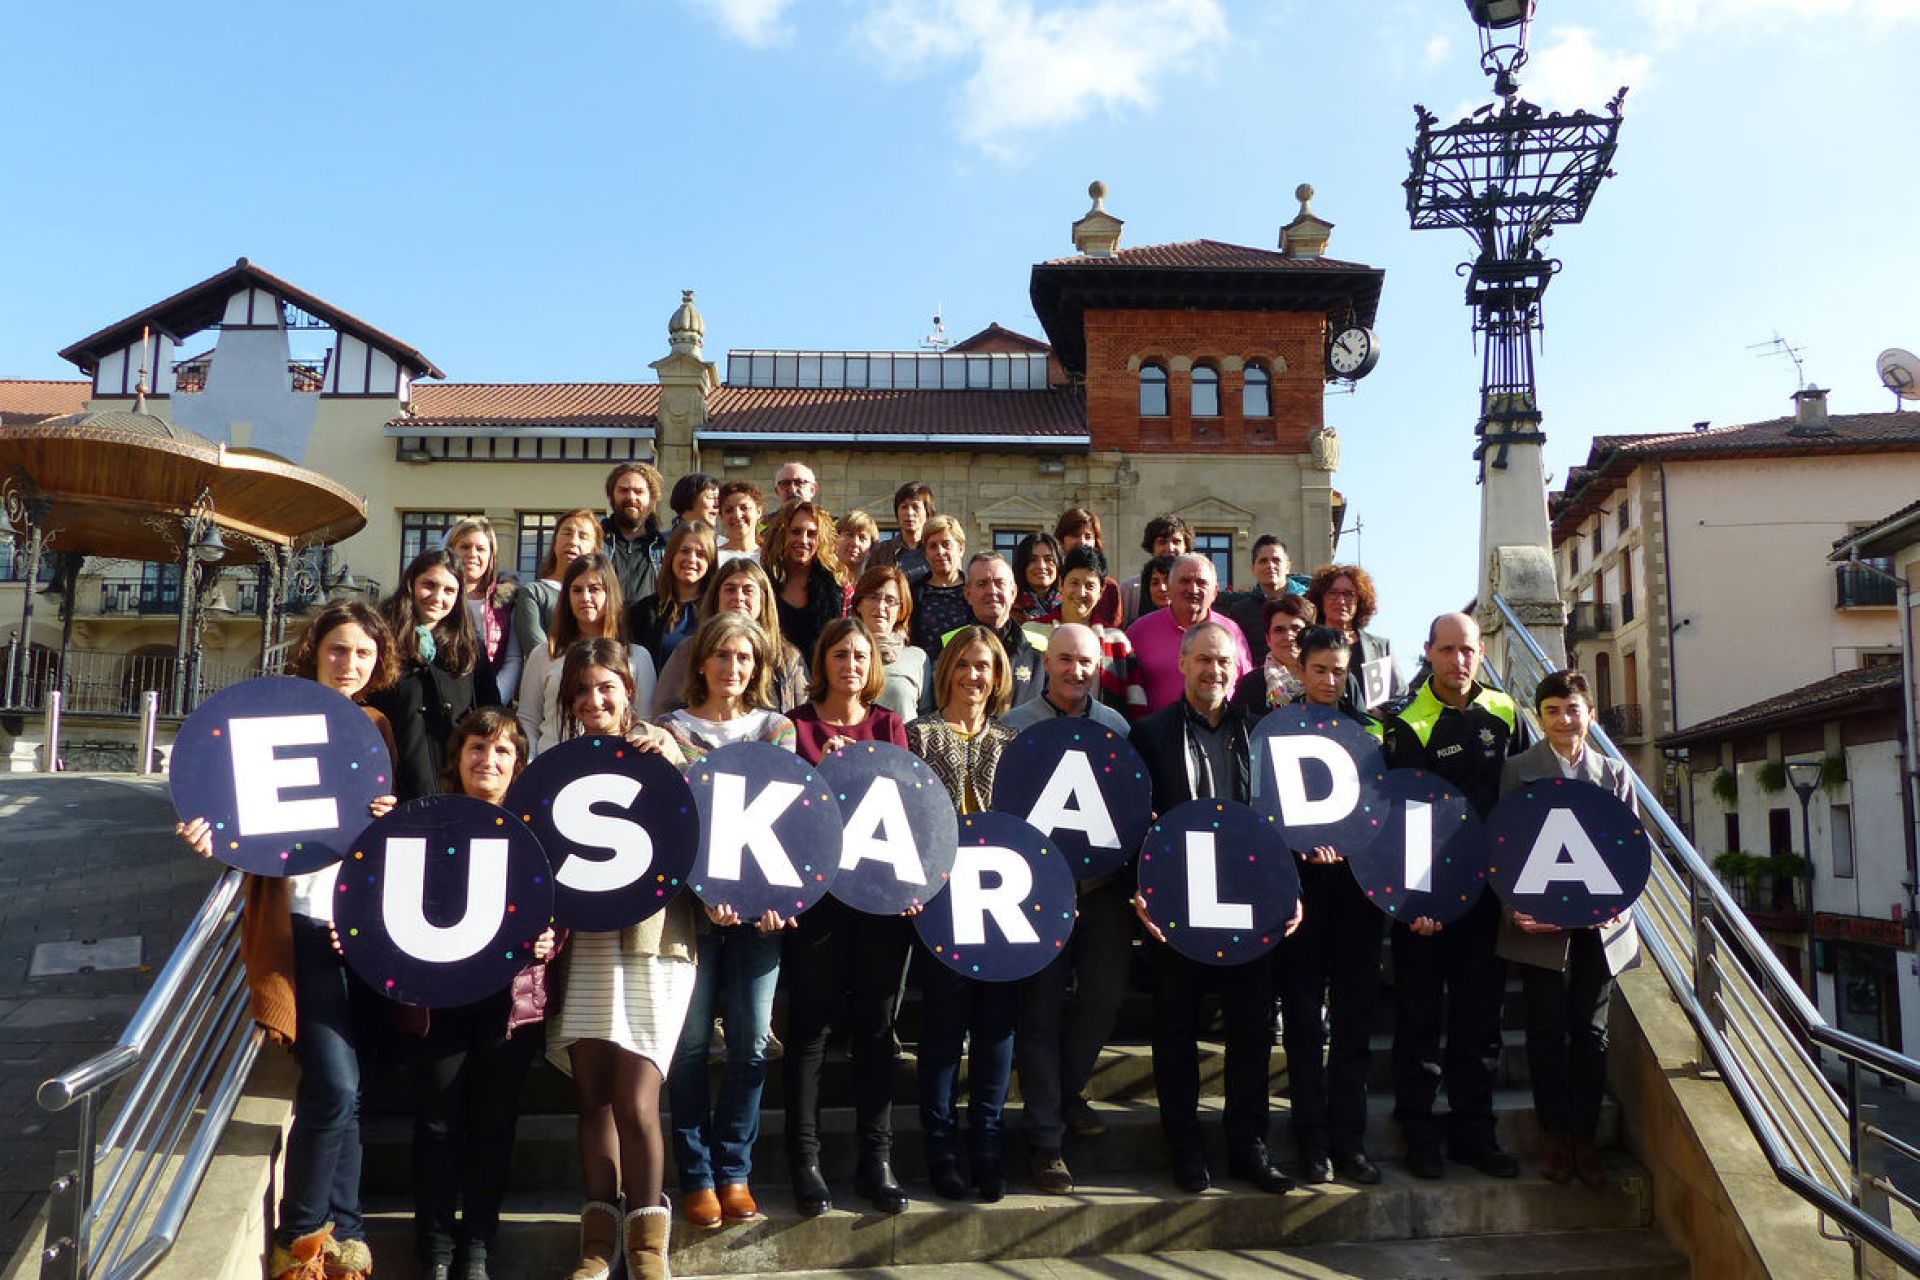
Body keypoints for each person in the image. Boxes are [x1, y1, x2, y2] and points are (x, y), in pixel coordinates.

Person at [174, 601, 401, 1280]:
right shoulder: (272, 718)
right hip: (299, 918)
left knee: (348, 1087)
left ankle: (346, 1236)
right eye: (338, 650)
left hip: (357, 925)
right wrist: (207, 835)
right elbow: (234, 813)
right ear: (314, 651)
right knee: (335, 1081)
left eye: (362, 654)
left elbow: (376, 828)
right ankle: (303, 1238)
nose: (350, 665)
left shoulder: (376, 726)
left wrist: (388, 818)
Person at [539, 638, 694, 1280]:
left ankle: (649, 1244)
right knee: (595, 1098)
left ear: (629, 690)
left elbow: (701, 818)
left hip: (653, 947)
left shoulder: (662, 747)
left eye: (606, 688)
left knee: (637, 1100)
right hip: (587, 947)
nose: (594, 700)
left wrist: (676, 757)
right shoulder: (560, 761)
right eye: (582, 691)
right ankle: (599, 1241)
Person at [1128, 622, 1297, 1196]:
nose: (1215, 671)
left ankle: (1249, 1146)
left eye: (1224, 662)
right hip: (1177, 906)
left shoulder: (1261, 734)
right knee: (1175, 1031)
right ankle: (1186, 1148)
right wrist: (1142, 891)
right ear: (1181, 663)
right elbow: (1135, 825)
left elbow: (1281, 820)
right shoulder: (1148, 735)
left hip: (1250, 907)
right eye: (1204, 660)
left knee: (1251, 1031)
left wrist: (1289, 891)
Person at [658, 615, 800, 1229]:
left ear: (757, 665)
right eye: (721, 656)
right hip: (689, 914)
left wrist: (777, 899)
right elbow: (666, 821)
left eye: (743, 657)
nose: (732, 668)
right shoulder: (669, 731)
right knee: (689, 1048)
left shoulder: (778, 731)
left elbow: (790, 822)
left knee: (748, 1044)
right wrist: (703, 888)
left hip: (759, 917)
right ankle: (696, 1177)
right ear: (702, 663)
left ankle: (735, 1171)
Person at [407, 710, 559, 1280]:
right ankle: (436, 1247)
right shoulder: (426, 822)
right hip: (440, 1000)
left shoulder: (534, 830)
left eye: (501, 752)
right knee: (438, 1122)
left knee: (494, 1124)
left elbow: (555, 907)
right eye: (477, 748)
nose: (487, 761)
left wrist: (550, 937)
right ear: (457, 755)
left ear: (517, 764)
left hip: (510, 1004)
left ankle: (477, 1244)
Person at [1381, 612, 1527, 1181]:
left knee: (1479, 1019)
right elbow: (1399, 815)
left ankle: (1475, 1132)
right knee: (1418, 1017)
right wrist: (1412, 901)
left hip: (1486, 897)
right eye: (1447, 650)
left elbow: (1519, 801)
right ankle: (1419, 1133)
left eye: (1467, 650)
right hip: (1424, 900)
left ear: (1481, 650)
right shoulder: (1405, 720)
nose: (1458, 660)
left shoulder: (1506, 712)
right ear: (1429, 652)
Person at [782, 618, 914, 1216]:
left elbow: (909, 809)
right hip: (819, 903)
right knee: (810, 1029)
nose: (851, 664)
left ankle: (875, 1160)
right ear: (822, 662)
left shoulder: (888, 726)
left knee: (876, 1028)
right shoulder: (798, 726)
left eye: (860, 654)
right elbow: (784, 811)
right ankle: (804, 1162)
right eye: (839, 654)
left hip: (880, 902)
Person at [1499, 668, 1637, 1190]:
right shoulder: (1518, 769)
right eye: (1553, 710)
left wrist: (1619, 904)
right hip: (1539, 923)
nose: (1563, 719)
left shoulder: (1615, 774)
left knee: (1592, 1031)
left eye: (1573, 709)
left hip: (1599, 925)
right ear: (1540, 717)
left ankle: (1584, 1138)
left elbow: (1632, 849)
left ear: (1590, 715)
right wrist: (1514, 906)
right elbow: (1504, 844)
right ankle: (1553, 1136)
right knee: (1544, 1029)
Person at [1006, 625, 1131, 1194]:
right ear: (1046, 662)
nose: (1075, 671)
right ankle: (1045, 1140)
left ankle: (1068, 1087)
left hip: (1103, 890)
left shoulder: (1117, 729)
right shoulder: (1013, 728)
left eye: (1085, 661)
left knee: (1103, 996)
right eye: (1064, 660)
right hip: (1035, 894)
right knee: (1039, 1014)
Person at [907, 626, 1019, 1202]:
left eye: (986, 667)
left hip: (1001, 906)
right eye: (966, 665)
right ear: (947, 669)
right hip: (941, 904)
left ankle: (988, 1147)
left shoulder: (1011, 741)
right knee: (945, 1029)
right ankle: (942, 1149)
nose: (975, 676)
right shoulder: (918, 736)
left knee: (997, 1026)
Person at [1275, 626, 1386, 1187]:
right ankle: (1310, 1143)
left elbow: (1383, 812)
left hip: (1359, 897)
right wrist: (1297, 850)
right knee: (1300, 1023)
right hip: (1299, 895)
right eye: (1319, 669)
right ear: (1301, 669)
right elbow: (1265, 806)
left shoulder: (1370, 731)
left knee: (1354, 1025)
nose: (1328, 679)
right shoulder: (1275, 729)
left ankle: (1351, 1142)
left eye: (1338, 671)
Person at [372, 548, 499, 800]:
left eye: (449, 590)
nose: (438, 597)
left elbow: (491, 713)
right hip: (393, 789)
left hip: (455, 788)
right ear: (411, 584)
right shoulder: (378, 641)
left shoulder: (470, 649)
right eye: (429, 585)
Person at [516, 553, 658, 756]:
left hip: (615, 767)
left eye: (594, 589)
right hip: (553, 766)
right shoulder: (545, 654)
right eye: (577, 590)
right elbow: (528, 720)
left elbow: (645, 721)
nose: (585, 597)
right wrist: (531, 768)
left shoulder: (637, 656)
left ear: (610, 594)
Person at [653, 558, 810, 717]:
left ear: (763, 599)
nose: (739, 597)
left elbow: (804, 717)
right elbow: (664, 710)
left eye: (748, 590)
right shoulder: (690, 650)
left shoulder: (788, 658)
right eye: (730, 589)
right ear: (717, 597)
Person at [1125, 554, 1252, 720]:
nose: (1192, 590)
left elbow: (1246, 686)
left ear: (1214, 592)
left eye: (1201, 583)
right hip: (1156, 740)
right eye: (1185, 581)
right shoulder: (1138, 632)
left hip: (1220, 737)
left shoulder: (1232, 631)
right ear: (1169, 588)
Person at [948, 552, 1046, 705]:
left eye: (999, 583)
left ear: (1013, 593)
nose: (992, 591)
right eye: (982, 584)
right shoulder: (949, 645)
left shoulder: (1041, 648)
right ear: (967, 595)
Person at [443, 517, 521, 705]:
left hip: (491, 701)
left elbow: (513, 659)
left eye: (480, 549)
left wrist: (493, 699)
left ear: (491, 557)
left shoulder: (506, 601)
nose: (472, 554)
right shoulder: (438, 598)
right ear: (451, 551)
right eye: (465, 547)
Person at [1305, 563, 1404, 709]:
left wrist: (1384, 714)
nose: (1341, 600)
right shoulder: (1307, 642)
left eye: (1348, 594)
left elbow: (1400, 694)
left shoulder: (1380, 647)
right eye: (1333, 593)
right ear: (1321, 599)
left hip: (1369, 728)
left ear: (1360, 600)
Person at [762, 499, 846, 662]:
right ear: (782, 534)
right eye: (796, 532)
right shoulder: (763, 583)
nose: (803, 540)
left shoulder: (837, 587)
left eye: (812, 534)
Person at [513, 508, 602, 657]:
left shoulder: (602, 595)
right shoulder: (534, 593)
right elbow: (537, 651)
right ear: (554, 542)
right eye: (567, 533)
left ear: (594, 548)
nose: (573, 542)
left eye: (583, 536)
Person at [628, 520, 715, 671]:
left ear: (710, 562)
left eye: (701, 554)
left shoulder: (718, 609)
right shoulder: (643, 612)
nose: (691, 559)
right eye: (684, 551)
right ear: (671, 555)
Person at [1056, 545, 1133, 712]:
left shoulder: (1117, 642)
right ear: (1061, 584)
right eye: (1074, 583)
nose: (1081, 593)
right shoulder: (1031, 632)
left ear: (1101, 591)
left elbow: (1134, 702)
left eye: (1090, 586)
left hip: (1101, 733)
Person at [850, 564, 931, 719]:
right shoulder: (841, 653)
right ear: (859, 604)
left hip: (902, 742)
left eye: (890, 600)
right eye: (873, 597)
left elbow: (926, 718)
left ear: (901, 610)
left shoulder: (917, 659)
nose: (881, 606)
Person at [1230, 594, 1317, 720]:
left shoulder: (1330, 678)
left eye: (1296, 628)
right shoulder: (1251, 685)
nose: (1288, 636)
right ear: (1268, 639)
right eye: (1279, 630)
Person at [1220, 535, 1296, 666]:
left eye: (1276, 560)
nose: (1270, 566)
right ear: (1253, 568)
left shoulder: (1307, 603)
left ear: (1288, 566)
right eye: (1263, 561)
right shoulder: (1240, 613)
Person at [602, 462, 668, 607]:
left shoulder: (665, 547)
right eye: (624, 490)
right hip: (604, 627)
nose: (631, 497)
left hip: (650, 628)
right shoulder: (596, 542)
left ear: (651, 499)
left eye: (639, 491)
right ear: (611, 496)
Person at [907, 514, 971, 655]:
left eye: (946, 544)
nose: (940, 552)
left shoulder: (974, 590)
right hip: (924, 672)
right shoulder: (912, 592)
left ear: (961, 549)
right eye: (932, 546)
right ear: (925, 554)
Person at [1054, 507, 1122, 627]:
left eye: (1088, 536)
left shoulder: (1109, 587)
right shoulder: (1051, 580)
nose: (1082, 541)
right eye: (1075, 535)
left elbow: (1113, 628)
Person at [1120, 514, 1192, 624]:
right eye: (1162, 542)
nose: (1170, 548)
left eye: (1176, 542)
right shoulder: (1129, 590)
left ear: (1186, 546)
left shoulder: (1195, 587)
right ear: (1151, 547)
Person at [867, 481, 934, 588]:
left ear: (928, 513)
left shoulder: (936, 550)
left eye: (915, 507)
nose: (909, 513)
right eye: (904, 507)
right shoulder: (881, 552)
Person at [1012, 532, 1063, 623]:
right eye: (1032, 560)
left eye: (1048, 560)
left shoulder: (1069, 604)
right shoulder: (1010, 606)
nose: (1041, 566)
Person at [716, 481, 763, 564]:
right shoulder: (712, 558)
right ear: (721, 517)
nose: (737, 515)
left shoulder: (770, 558)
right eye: (729, 510)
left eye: (744, 508)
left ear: (758, 512)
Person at [834, 508, 878, 578]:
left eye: (862, 537)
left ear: (871, 547)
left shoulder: (876, 586)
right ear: (836, 539)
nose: (855, 543)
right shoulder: (819, 582)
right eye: (849, 535)